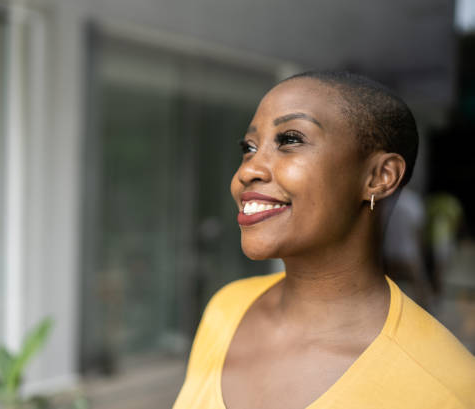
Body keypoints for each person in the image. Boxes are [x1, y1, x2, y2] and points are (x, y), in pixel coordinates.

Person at [173, 71, 475, 409]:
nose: (247, 170)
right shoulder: (226, 309)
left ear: (380, 176)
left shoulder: (446, 390)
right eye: (249, 147)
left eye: (290, 139)